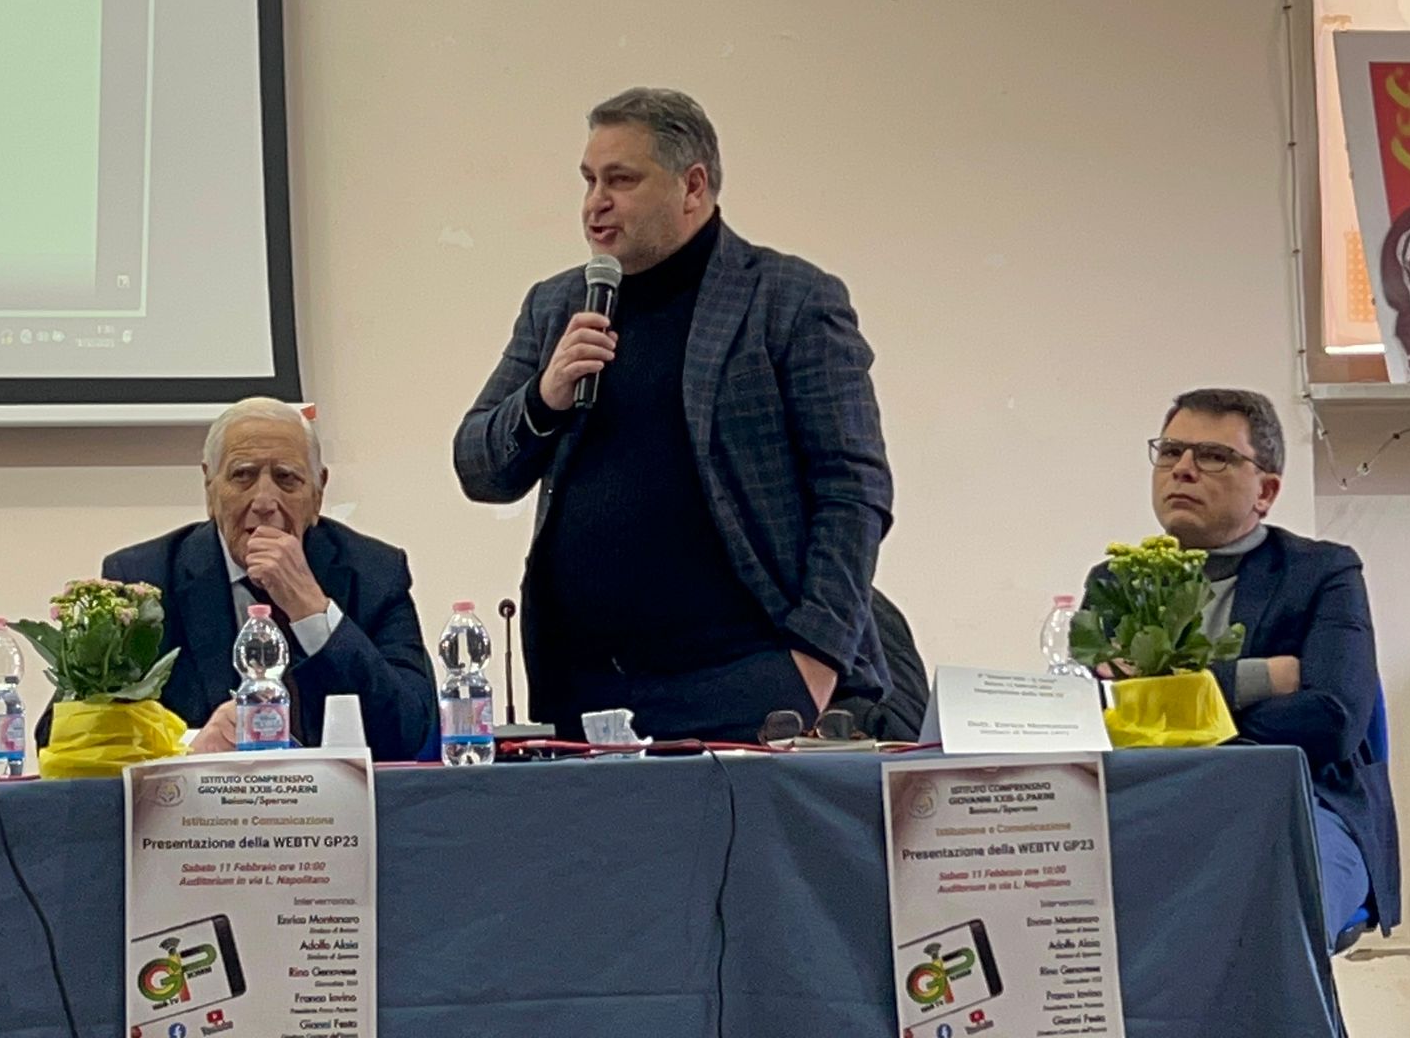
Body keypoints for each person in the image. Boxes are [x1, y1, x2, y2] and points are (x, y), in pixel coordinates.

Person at [454, 87, 894, 742]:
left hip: (749, 676)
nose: (595, 203)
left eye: (621, 180)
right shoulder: (558, 305)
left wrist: (817, 657)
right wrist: (543, 398)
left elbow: (854, 488)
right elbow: (477, 467)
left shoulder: (789, 299)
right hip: (582, 686)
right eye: (588, 180)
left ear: (692, 186)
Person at [1090, 388, 1400, 937]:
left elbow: (1333, 721)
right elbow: (1092, 714)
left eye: (1214, 456)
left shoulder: (1321, 572)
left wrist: (1164, 707)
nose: (1183, 469)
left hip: (1300, 805)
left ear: (1266, 491)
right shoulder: (1119, 581)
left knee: (1261, 917)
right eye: (1171, 451)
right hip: (1155, 805)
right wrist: (1254, 679)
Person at [52, 398, 436, 760]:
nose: (264, 501)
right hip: (195, 803)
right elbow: (65, 737)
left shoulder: (375, 572)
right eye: (243, 476)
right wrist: (186, 744)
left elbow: (410, 732)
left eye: (286, 478)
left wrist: (312, 610)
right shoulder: (143, 580)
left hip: (340, 804)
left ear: (318, 492)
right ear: (210, 487)